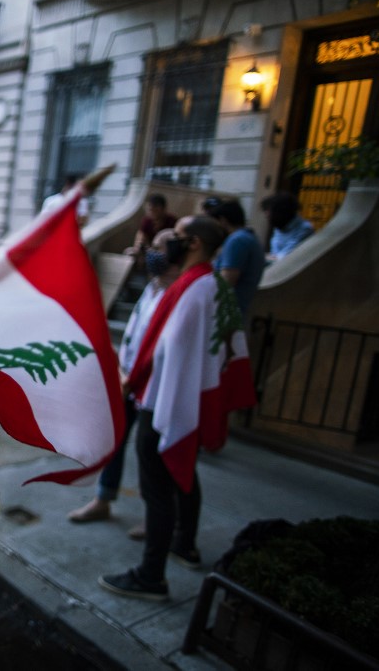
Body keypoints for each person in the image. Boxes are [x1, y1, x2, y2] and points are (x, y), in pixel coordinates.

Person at [100, 216, 249, 601]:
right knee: (181, 476)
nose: (168, 248)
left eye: (177, 239)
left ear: (195, 243)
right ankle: (184, 544)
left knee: (159, 490)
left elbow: (167, 348)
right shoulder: (210, 284)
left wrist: (133, 381)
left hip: (164, 403)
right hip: (179, 400)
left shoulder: (194, 288)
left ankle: (151, 576)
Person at [68, 228, 181, 527]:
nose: (150, 253)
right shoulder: (151, 287)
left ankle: (154, 516)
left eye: (158, 248)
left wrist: (131, 379)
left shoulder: (178, 294)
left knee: (151, 455)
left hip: (151, 387)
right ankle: (103, 499)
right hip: (128, 378)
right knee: (113, 441)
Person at [210, 200, 265, 319]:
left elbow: (226, 282)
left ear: (223, 220)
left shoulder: (237, 240)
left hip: (226, 315)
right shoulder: (248, 238)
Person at [264, 191, 313, 260]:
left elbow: (284, 257)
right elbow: (275, 253)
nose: (267, 214)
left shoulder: (304, 229)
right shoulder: (279, 226)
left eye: (269, 211)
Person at [125, 193, 177, 257]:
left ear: (163, 209)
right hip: (149, 251)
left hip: (164, 254)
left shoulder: (172, 221)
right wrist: (139, 247)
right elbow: (141, 236)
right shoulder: (147, 220)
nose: (152, 212)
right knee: (129, 252)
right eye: (150, 210)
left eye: (156, 210)